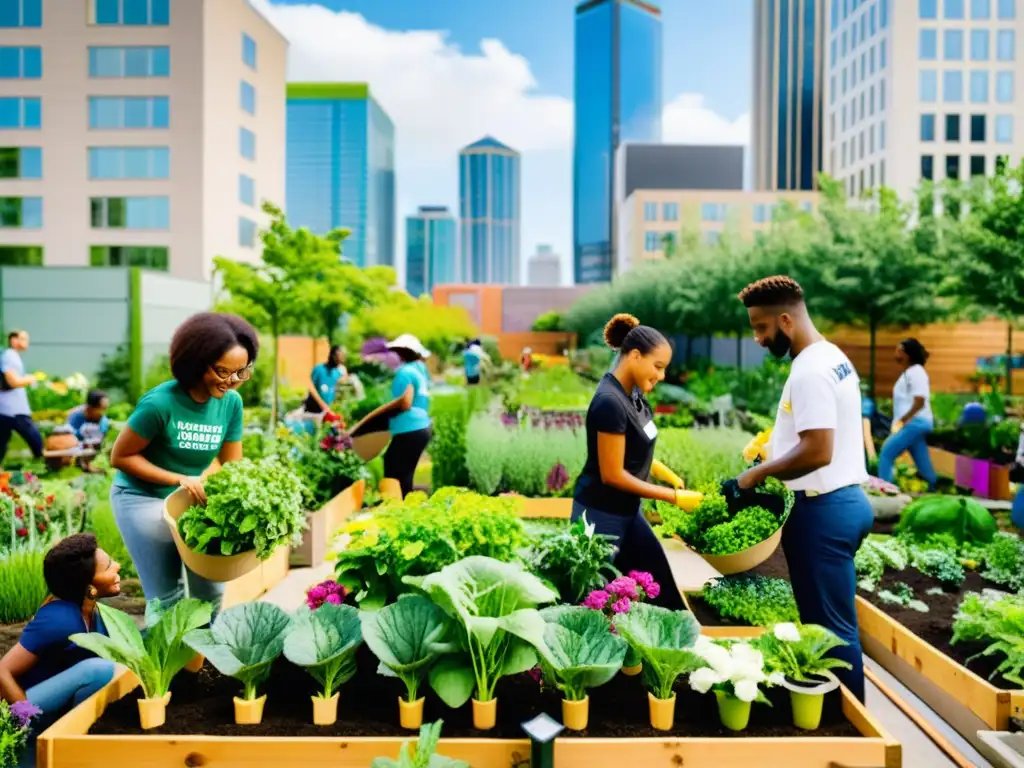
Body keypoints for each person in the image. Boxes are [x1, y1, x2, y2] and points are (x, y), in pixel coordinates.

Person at [726, 276, 872, 701]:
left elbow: (818, 450)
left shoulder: (809, 370)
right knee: (826, 626)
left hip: (823, 512)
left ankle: (856, 729)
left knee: (832, 633)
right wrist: (771, 451)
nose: (756, 337)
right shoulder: (832, 357)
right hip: (843, 501)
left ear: (786, 320)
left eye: (760, 327)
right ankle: (835, 714)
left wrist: (756, 474)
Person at [109, 312, 258, 624]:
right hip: (142, 496)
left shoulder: (231, 403)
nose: (231, 381)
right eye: (222, 371)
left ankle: (199, 664)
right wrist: (179, 478)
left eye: (240, 372)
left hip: (192, 498)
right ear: (197, 362)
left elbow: (234, 467)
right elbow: (120, 457)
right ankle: (162, 671)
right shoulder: (160, 404)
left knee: (212, 591)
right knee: (168, 599)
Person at [571, 314, 700, 612]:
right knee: (588, 596)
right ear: (635, 356)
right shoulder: (609, 402)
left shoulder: (634, 395)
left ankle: (662, 653)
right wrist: (674, 498)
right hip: (600, 516)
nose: (663, 375)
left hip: (627, 512)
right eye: (658, 366)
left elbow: (636, 446)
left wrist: (664, 473)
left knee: (660, 587)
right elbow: (613, 474)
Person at [0, 534, 119, 740]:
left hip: (54, 709)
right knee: (98, 670)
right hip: (23, 709)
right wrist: (25, 721)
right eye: (108, 567)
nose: (117, 566)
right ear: (89, 586)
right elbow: (2, 670)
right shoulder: (60, 620)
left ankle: (73, 734)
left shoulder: (95, 613)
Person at [877, 339, 937, 491]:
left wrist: (904, 419)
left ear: (907, 354)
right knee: (921, 460)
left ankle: (885, 490)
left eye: (899, 350)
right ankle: (933, 488)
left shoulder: (916, 372)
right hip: (915, 422)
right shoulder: (909, 373)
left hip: (915, 422)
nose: (895, 353)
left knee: (886, 453)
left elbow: (920, 400)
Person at [384, 334, 433, 498]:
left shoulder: (405, 372)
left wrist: (385, 412)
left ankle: (397, 507)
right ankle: (406, 507)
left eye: (398, 350)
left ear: (403, 352)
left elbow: (406, 402)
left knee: (393, 468)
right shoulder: (419, 370)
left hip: (409, 428)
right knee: (405, 472)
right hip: (422, 427)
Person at [0, 330, 43, 466]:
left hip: (6, 408)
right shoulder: (9, 356)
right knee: (35, 439)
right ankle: (42, 464)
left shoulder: (13, 356)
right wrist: (30, 378)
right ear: (13, 340)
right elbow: (13, 381)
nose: (26, 342)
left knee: (1, 442)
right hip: (13, 409)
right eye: (23, 339)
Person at [303, 345, 347, 425]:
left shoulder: (337, 373)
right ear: (332, 355)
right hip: (314, 411)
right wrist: (323, 405)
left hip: (327, 413)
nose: (342, 359)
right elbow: (311, 388)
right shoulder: (319, 369)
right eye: (340, 356)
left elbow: (337, 391)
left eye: (343, 356)